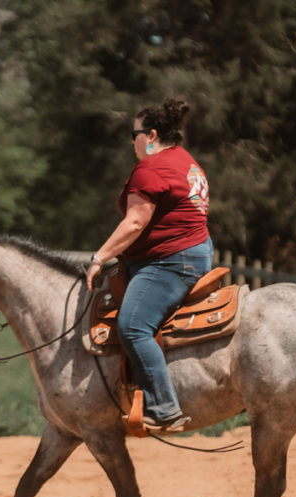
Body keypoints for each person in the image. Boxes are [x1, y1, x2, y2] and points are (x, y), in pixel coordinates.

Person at [85, 97, 212, 433]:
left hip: (171, 261)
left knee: (133, 326)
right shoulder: (185, 161)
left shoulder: (151, 168)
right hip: (193, 250)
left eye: (135, 134)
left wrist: (99, 257)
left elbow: (135, 223)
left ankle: (164, 406)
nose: (132, 141)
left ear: (151, 134)